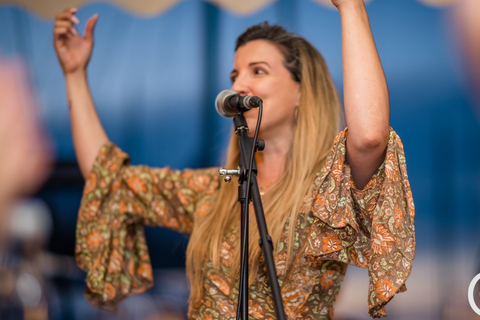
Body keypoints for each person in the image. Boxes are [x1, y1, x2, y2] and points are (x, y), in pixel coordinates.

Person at [53, 0, 415, 318]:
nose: (238, 85)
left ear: (302, 92)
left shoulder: (329, 192)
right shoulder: (216, 190)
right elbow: (109, 178)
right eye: (234, 75)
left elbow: (369, 137)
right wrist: (73, 75)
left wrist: (351, 6)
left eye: (258, 71)